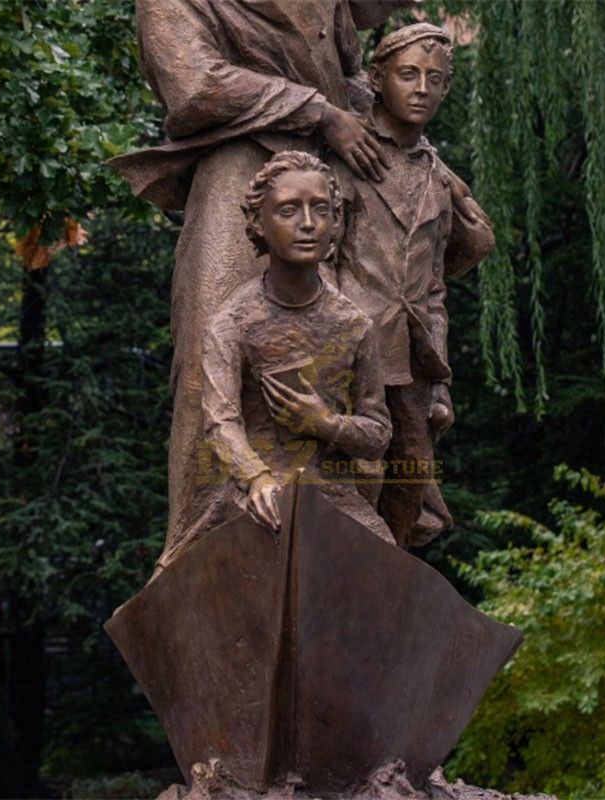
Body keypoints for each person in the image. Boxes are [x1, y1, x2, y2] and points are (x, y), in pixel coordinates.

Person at [108, 0, 411, 571]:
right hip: (240, 175)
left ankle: (353, 558)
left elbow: (348, 70)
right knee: (210, 360)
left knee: (362, 355)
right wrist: (318, 111)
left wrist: (379, 132)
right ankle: (201, 561)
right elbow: (194, 84)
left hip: (334, 183)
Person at [166, 150, 394, 564]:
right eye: (289, 210)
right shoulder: (231, 325)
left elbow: (378, 434)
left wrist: (326, 424)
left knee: (384, 573)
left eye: (320, 210)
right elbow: (220, 421)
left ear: (335, 223)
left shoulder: (355, 326)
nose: (308, 224)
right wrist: (255, 478)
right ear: (258, 223)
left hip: (332, 498)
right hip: (252, 496)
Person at [328, 23, 496, 549]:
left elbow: (435, 287)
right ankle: (341, 584)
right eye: (409, 75)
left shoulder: (436, 176)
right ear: (377, 78)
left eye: (436, 79)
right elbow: (323, 260)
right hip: (354, 345)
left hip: (414, 356)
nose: (422, 88)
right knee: (356, 476)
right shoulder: (348, 158)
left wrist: (440, 376)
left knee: (412, 472)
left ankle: (387, 589)